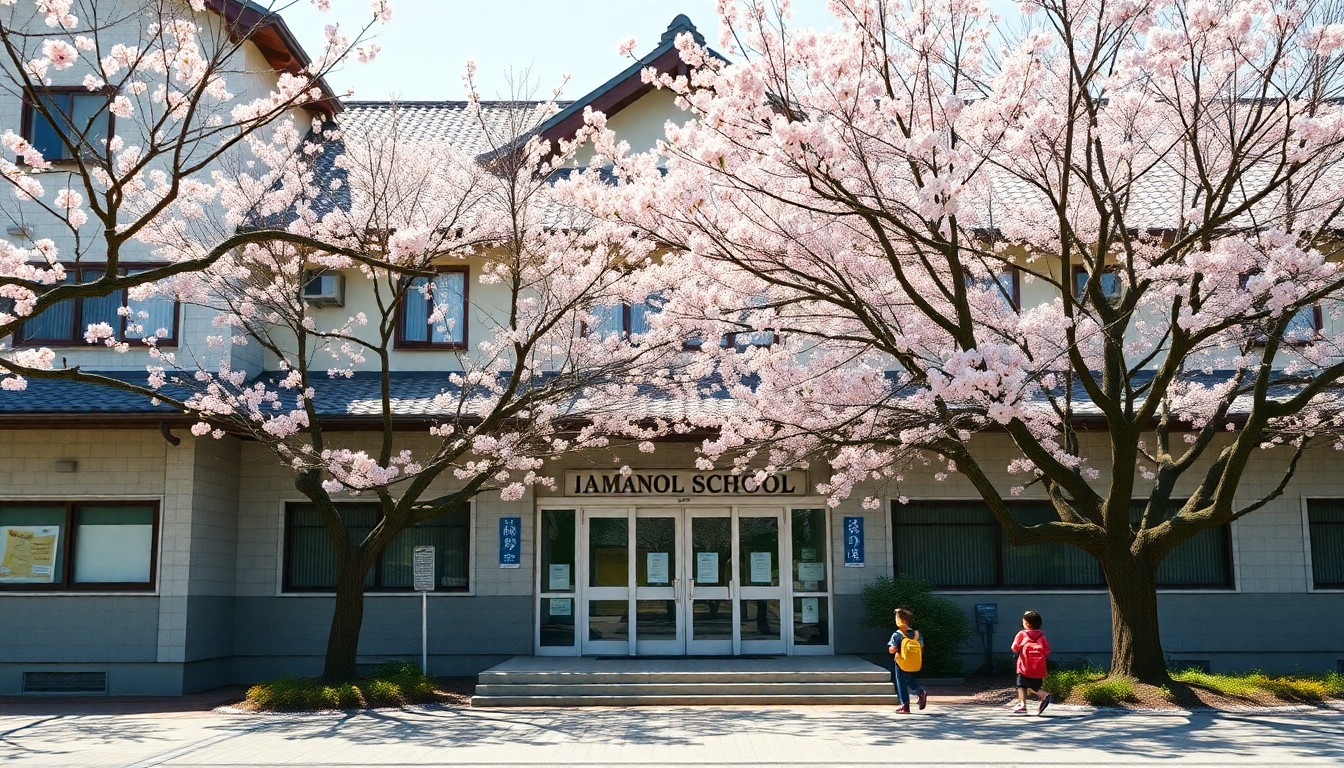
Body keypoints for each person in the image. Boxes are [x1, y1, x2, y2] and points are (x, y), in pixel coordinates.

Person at [1009, 610, 1052, 715]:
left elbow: (1014, 647)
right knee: (1035, 685)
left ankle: (1022, 705)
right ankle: (1043, 694)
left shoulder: (1022, 634)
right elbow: (1047, 650)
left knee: (1021, 685)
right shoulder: (1042, 636)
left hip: (1024, 666)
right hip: (1038, 667)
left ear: (1026, 623)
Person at [887, 607, 927, 714]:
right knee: (908, 678)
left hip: (901, 661)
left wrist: (894, 649)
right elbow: (922, 646)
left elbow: (891, 649)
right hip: (913, 661)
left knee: (900, 682)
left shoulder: (897, 634)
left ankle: (906, 704)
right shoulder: (917, 634)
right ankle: (919, 692)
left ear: (900, 620)